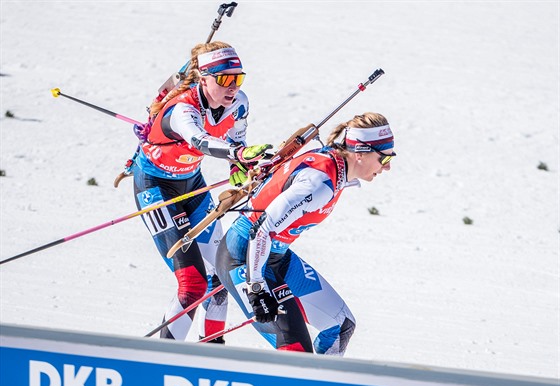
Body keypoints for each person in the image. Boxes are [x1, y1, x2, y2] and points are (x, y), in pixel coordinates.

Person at [215, 112, 396, 354]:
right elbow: (262, 230)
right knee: (296, 354)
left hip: (275, 256)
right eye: (383, 159)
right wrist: (256, 287)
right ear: (360, 154)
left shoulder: (337, 165)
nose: (388, 167)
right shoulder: (318, 183)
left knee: (340, 326)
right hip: (244, 257)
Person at [132, 41, 271, 342]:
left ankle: (211, 353)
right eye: (224, 79)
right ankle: (161, 360)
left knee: (218, 279)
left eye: (238, 78)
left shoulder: (239, 103)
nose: (232, 86)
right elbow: (201, 141)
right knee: (193, 284)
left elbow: (237, 139)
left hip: (192, 184)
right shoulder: (184, 108)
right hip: (156, 188)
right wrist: (240, 154)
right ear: (203, 78)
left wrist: (242, 171)